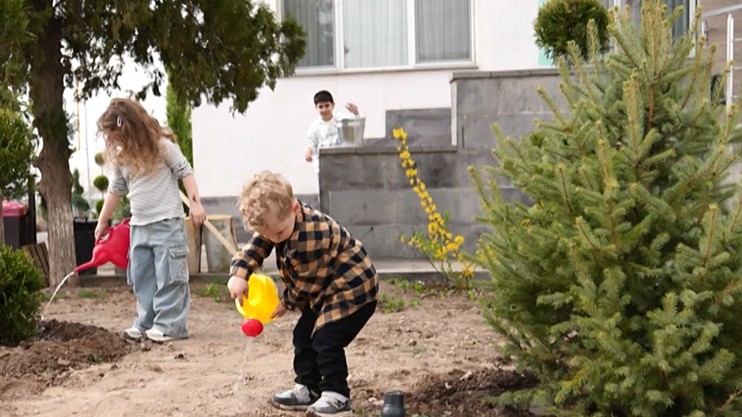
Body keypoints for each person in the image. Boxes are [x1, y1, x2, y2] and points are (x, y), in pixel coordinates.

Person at [227, 170, 378, 416]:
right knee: (303, 335)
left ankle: (337, 395)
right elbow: (256, 245)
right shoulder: (276, 222)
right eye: (268, 234)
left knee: (326, 338)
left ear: (294, 208)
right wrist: (239, 273)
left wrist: (285, 303)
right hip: (325, 289)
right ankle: (309, 388)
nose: (274, 239)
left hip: (352, 288)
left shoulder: (311, 234)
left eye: (278, 234)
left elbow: (307, 284)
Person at [95, 97, 206, 343]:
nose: (115, 141)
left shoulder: (162, 147)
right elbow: (115, 189)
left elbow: (185, 171)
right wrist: (102, 221)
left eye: (118, 136)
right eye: (111, 138)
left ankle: (170, 325)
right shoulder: (122, 158)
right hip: (139, 227)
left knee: (169, 276)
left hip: (167, 224)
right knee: (142, 276)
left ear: (131, 127)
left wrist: (195, 203)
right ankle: (146, 322)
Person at [303, 90, 363, 175]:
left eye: (327, 105)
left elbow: (358, 126)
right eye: (321, 107)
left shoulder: (342, 120)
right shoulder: (314, 128)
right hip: (324, 168)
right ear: (316, 107)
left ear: (333, 105)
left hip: (343, 165)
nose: (324, 109)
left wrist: (356, 112)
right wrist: (308, 150)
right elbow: (313, 146)